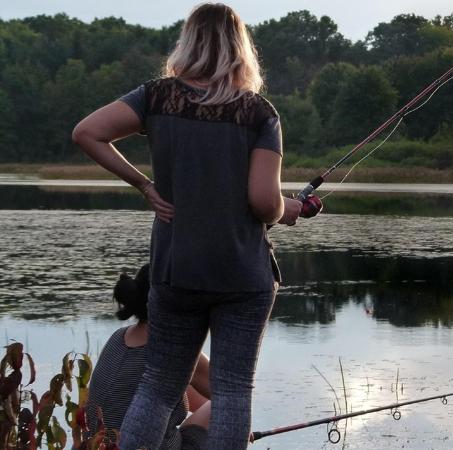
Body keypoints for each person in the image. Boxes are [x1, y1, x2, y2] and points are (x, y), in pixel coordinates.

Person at [72, 3, 305, 449]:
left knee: (158, 386)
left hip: (176, 269)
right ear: (240, 48)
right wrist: (285, 209)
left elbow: (87, 132)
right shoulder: (259, 113)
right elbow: (263, 203)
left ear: (188, 42)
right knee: (233, 390)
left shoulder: (156, 97)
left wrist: (143, 184)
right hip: (242, 273)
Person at [85, 265, 211, 450]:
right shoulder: (174, 347)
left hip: (95, 445)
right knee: (226, 405)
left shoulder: (118, 337)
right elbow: (228, 394)